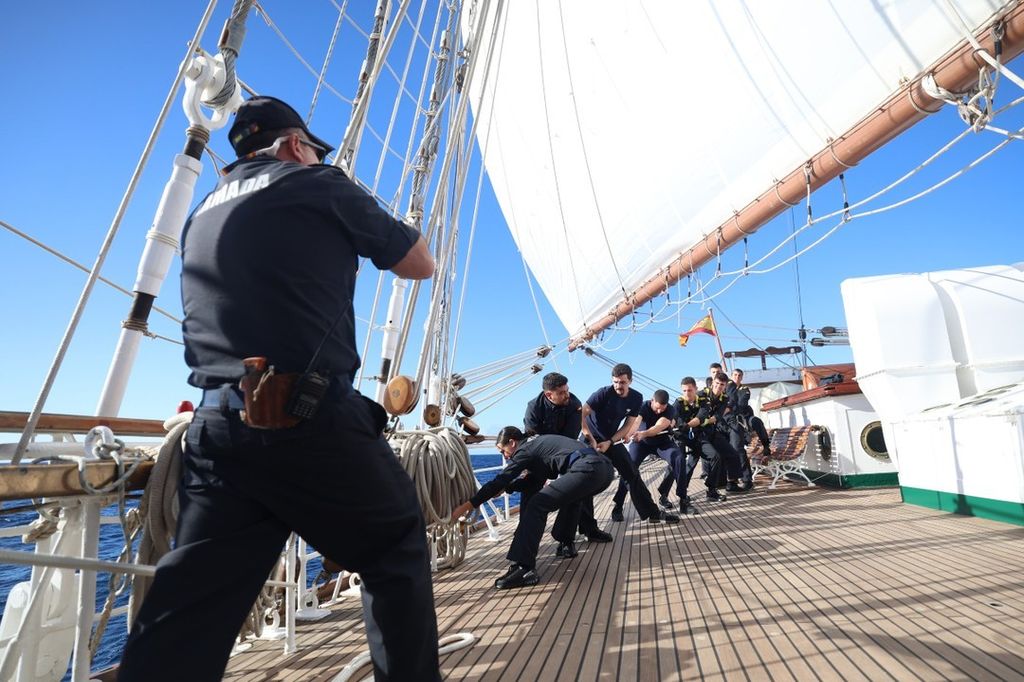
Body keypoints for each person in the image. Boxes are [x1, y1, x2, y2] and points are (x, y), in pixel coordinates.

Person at [119, 96, 441, 682]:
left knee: (186, 614)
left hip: (217, 430)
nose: (318, 157)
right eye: (314, 150)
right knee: (393, 548)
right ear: (296, 146)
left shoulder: (202, 212)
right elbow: (419, 263)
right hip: (308, 419)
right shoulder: (319, 183)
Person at [450, 429, 614, 589]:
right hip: (604, 469)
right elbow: (534, 482)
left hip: (588, 468)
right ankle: (566, 543)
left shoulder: (525, 450)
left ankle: (524, 568)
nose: (505, 457)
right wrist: (508, 488)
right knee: (572, 498)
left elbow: (500, 480)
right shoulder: (537, 446)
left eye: (503, 451)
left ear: (513, 443)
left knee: (537, 505)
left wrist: (466, 507)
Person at [581, 364, 679, 524]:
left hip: (610, 440)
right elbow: (582, 414)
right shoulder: (603, 393)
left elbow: (628, 425)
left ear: (630, 381)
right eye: (616, 382)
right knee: (585, 479)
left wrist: (613, 440)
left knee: (631, 473)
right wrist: (590, 438)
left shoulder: (636, 398)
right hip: (589, 439)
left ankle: (652, 513)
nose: (619, 386)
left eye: (623, 382)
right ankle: (588, 527)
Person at [521, 373, 613, 543]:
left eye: (567, 390)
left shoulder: (575, 405)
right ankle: (523, 531)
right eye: (562, 392)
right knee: (529, 488)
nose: (567, 395)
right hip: (541, 455)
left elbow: (568, 439)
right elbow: (532, 439)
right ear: (549, 395)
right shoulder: (533, 407)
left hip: (566, 452)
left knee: (581, 485)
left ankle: (583, 533)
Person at [611, 389, 693, 515]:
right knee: (628, 467)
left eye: (662, 409)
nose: (659, 411)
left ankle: (683, 500)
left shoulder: (670, 410)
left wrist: (644, 433)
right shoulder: (642, 406)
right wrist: (628, 434)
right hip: (641, 444)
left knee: (678, 458)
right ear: (652, 401)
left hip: (662, 442)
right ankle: (618, 505)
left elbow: (659, 426)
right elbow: (636, 422)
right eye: (657, 408)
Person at [699, 372, 749, 499]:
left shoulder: (724, 398)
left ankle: (730, 484)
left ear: (725, 386)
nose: (718, 387)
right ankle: (680, 495)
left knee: (732, 453)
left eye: (722, 385)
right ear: (712, 383)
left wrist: (707, 420)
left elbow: (717, 416)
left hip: (711, 430)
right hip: (697, 433)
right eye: (716, 384)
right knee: (689, 463)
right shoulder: (701, 395)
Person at [656, 377, 703, 507]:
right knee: (674, 462)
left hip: (692, 436)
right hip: (679, 436)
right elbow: (672, 418)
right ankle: (663, 495)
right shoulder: (678, 403)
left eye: (690, 390)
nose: (687, 393)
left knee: (696, 454)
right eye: (684, 390)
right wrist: (671, 426)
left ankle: (683, 485)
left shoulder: (701, 402)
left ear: (695, 389)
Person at [727, 368, 773, 487]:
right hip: (732, 421)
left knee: (756, 421)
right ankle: (735, 478)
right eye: (735, 375)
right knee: (735, 448)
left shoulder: (744, 389)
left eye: (739, 375)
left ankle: (766, 446)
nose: (737, 377)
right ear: (732, 376)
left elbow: (742, 404)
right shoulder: (728, 387)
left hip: (745, 418)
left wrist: (731, 405)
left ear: (742, 378)